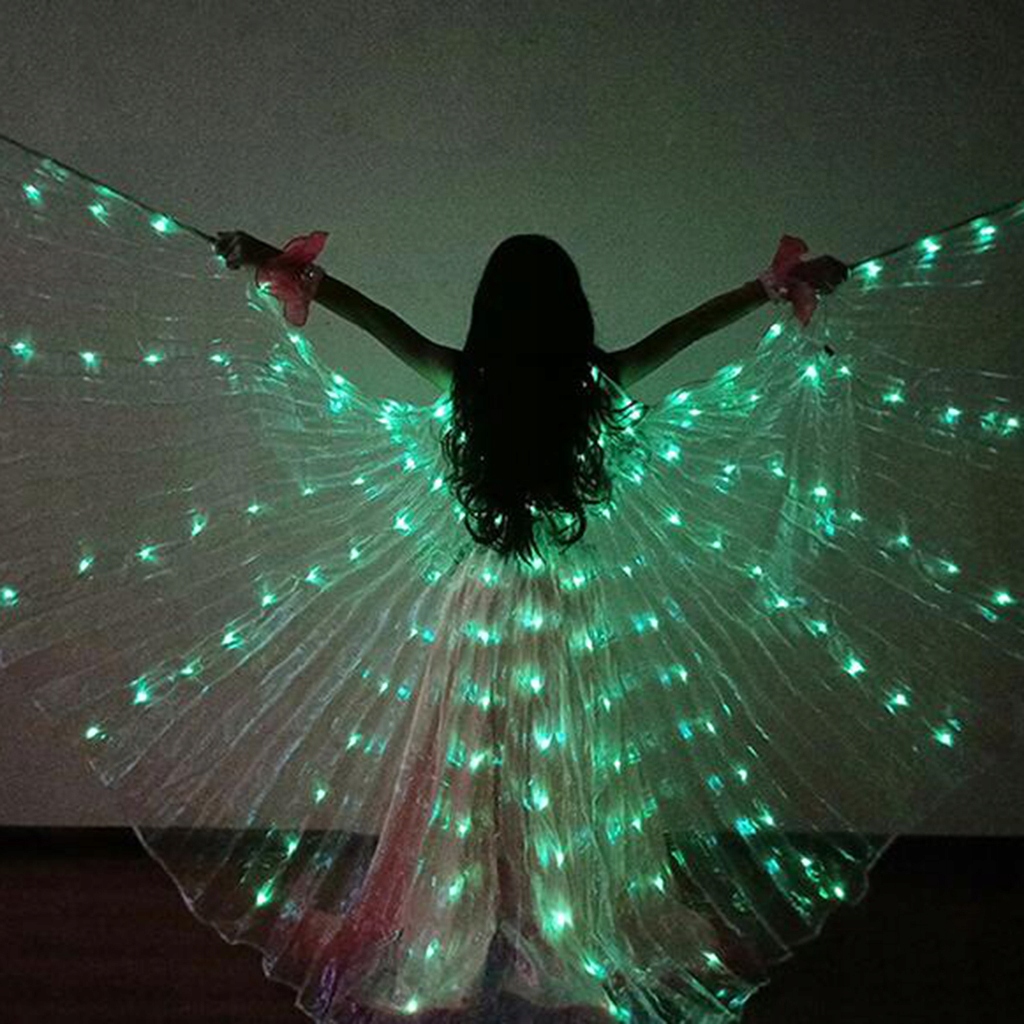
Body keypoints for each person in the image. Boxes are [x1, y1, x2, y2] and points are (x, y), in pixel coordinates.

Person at [3, 129, 1018, 1022]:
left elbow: (366, 316)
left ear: (492, 307)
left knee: (471, 777)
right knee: (557, 779)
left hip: (482, 605)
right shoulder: (595, 382)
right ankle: (551, 919)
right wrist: (770, 288)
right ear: (568, 307)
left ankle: (471, 918)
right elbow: (690, 331)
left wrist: (272, 257)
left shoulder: (465, 378)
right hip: (562, 610)